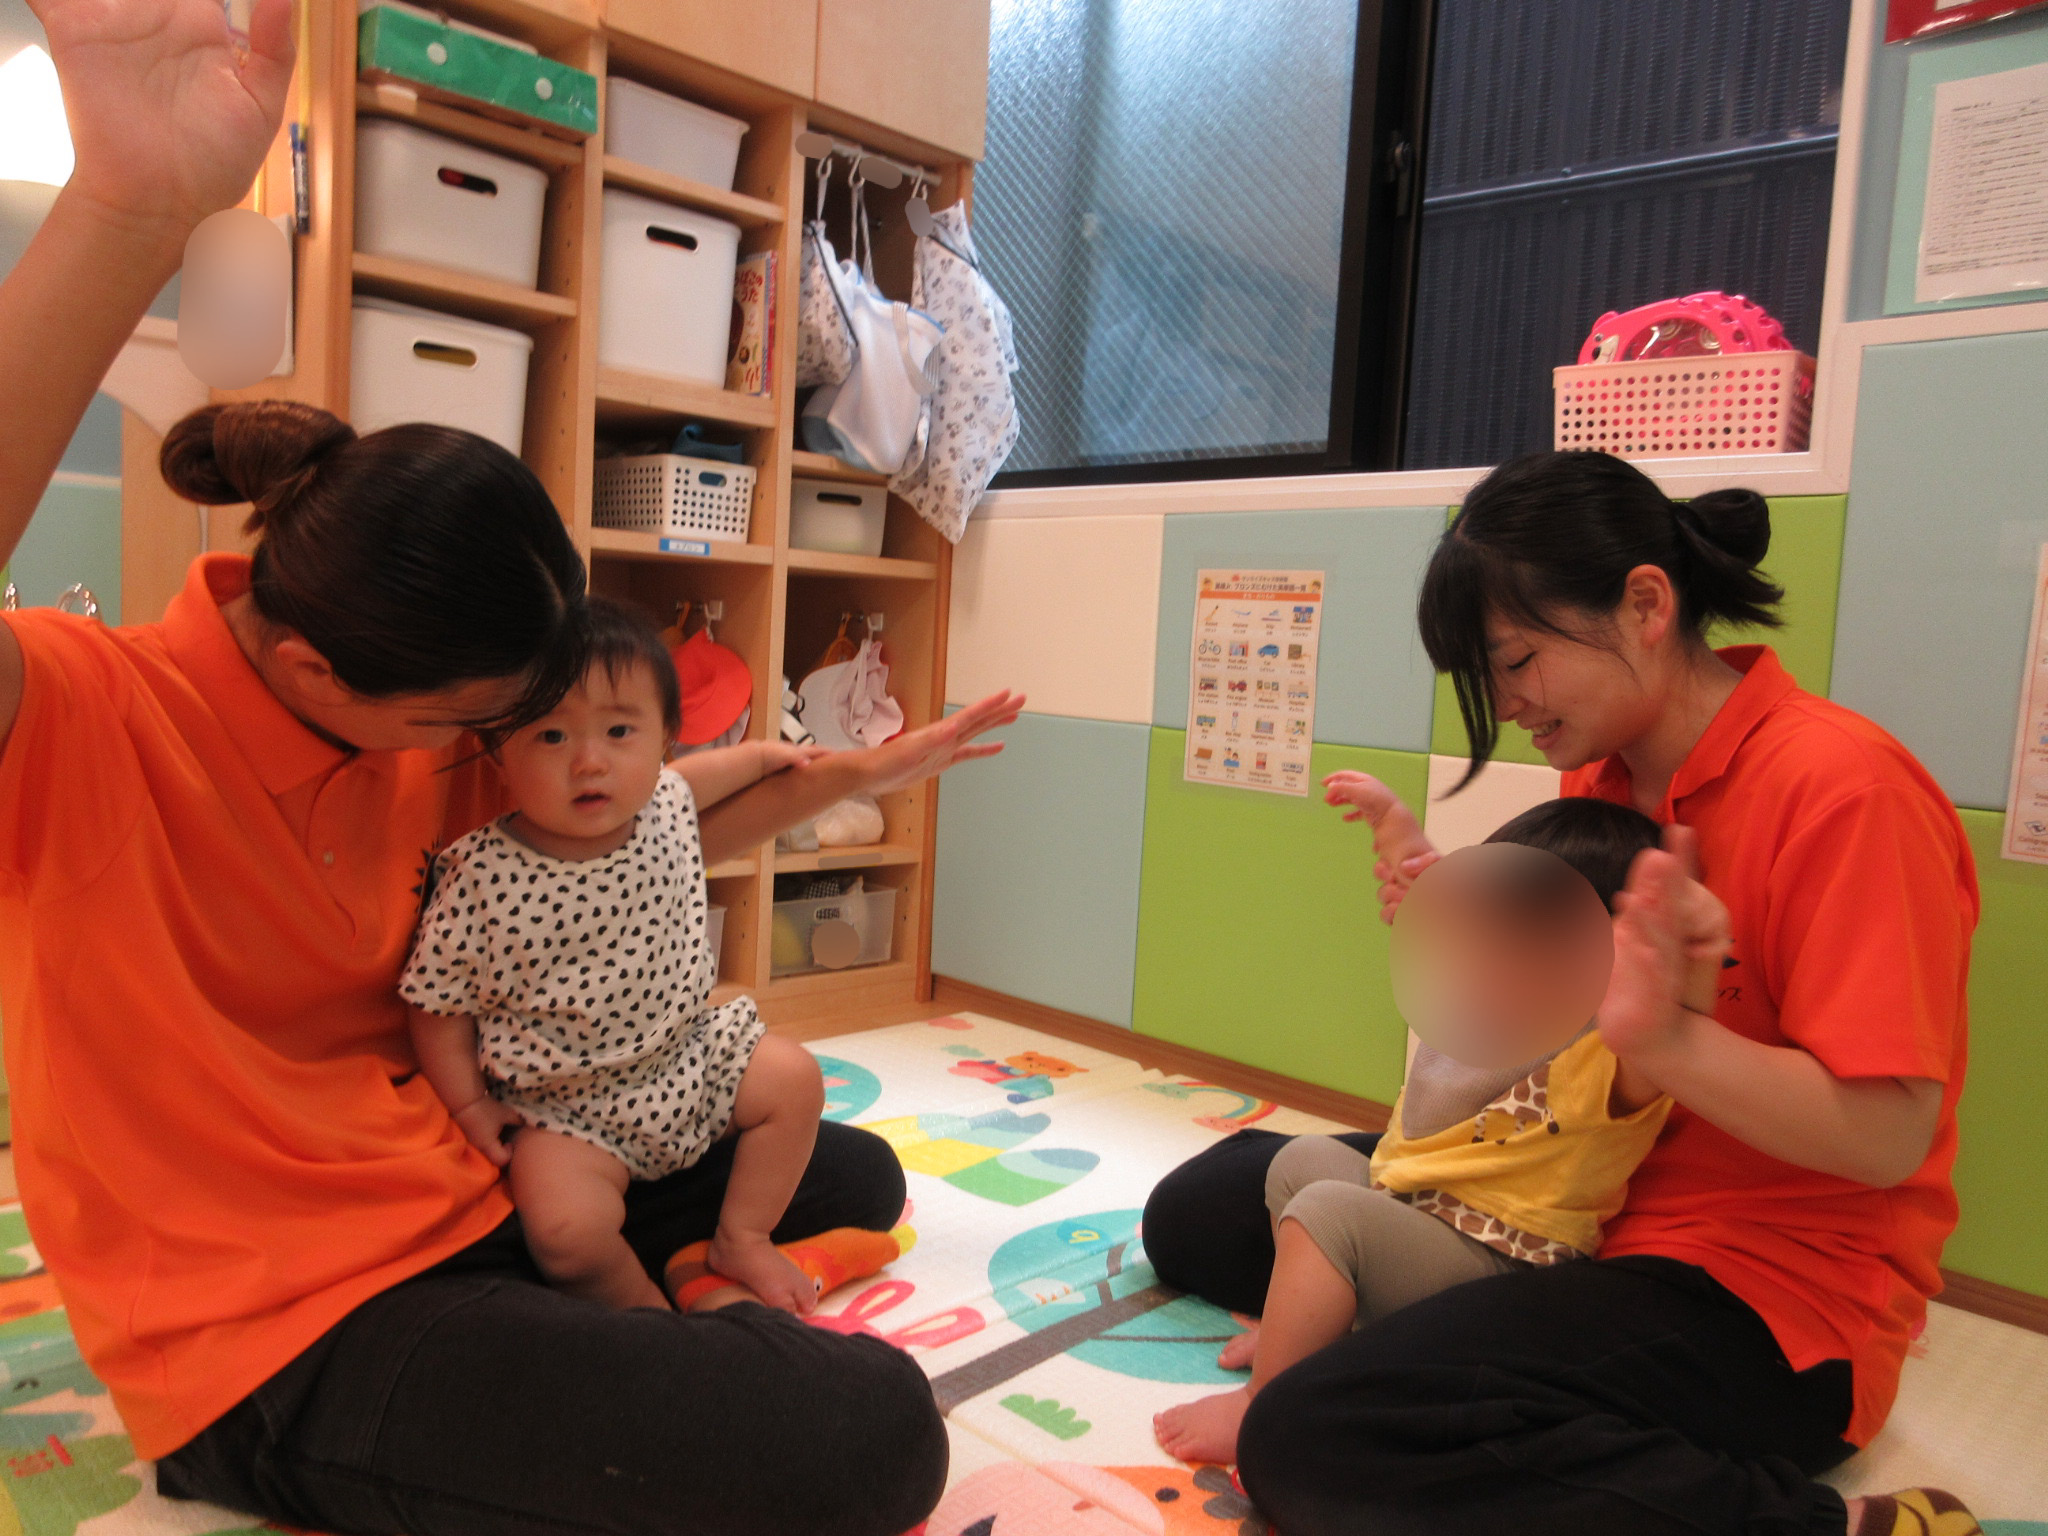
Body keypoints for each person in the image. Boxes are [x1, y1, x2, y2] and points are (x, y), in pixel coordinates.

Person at [0, 3, 1021, 1530]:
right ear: (316, 673)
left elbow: (652, 815)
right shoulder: (84, 720)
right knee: (865, 1434)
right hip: (277, 1327)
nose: (505, 756)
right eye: (475, 724)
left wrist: (881, 767)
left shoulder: (435, 734)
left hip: (475, 1181)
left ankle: (604, 1323)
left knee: (847, 1170)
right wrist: (129, 208)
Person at [1141, 452, 1984, 1536]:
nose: (1504, 705)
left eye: (1516, 662)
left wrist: (1669, 1040)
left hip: (1763, 1293)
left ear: (1645, 605)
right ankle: (1434, 1358)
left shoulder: (1844, 791)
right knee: (1201, 1208)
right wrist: (1452, 919)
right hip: (1562, 1194)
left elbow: (1887, 1138)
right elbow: (1535, 1033)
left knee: (1310, 1433)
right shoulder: (1603, 775)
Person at [403, 597, 901, 1315]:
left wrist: (764, 756)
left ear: (665, 737)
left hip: (686, 1060)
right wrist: (470, 1104)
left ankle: (741, 1237)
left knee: (794, 1079)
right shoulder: (479, 876)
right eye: (550, 736)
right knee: (565, 1234)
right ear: (498, 752)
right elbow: (436, 1004)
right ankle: (647, 1314)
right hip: (566, 1112)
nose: (589, 761)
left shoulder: (663, 805)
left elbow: (699, 778)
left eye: (618, 731)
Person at [1154, 793, 1685, 1466]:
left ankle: (1263, 1401)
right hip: (1421, 1209)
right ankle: (1308, 1329)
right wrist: (1396, 829)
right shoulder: (1489, 1002)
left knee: (1327, 1213)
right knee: (1301, 1161)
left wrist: (1669, 964)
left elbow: (1662, 1039)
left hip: (1498, 1262)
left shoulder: (1606, 1048)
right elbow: (1432, 900)